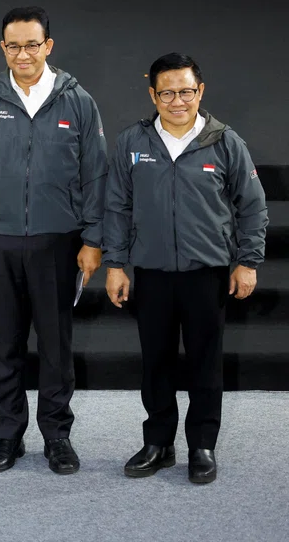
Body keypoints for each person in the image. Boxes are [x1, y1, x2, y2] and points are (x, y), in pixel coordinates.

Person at [0, 6, 108, 475]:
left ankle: (57, 435)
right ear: (3, 49)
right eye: (13, 45)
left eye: (32, 44)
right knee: (5, 343)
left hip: (57, 241)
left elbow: (95, 173)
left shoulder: (78, 101)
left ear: (48, 46)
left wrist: (93, 238)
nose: (23, 54)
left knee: (56, 345)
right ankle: (7, 435)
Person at [103, 53, 267, 484]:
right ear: (153, 94)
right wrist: (115, 264)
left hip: (206, 272)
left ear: (201, 92)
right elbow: (116, 207)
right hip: (152, 273)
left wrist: (247, 262)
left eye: (187, 91)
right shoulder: (132, 143)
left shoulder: (225, 141)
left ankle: (202, 445)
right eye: (168, 92)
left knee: (204, 362)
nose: (178, 100)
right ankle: (158, 442)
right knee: (155, 361)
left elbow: (252, 207)